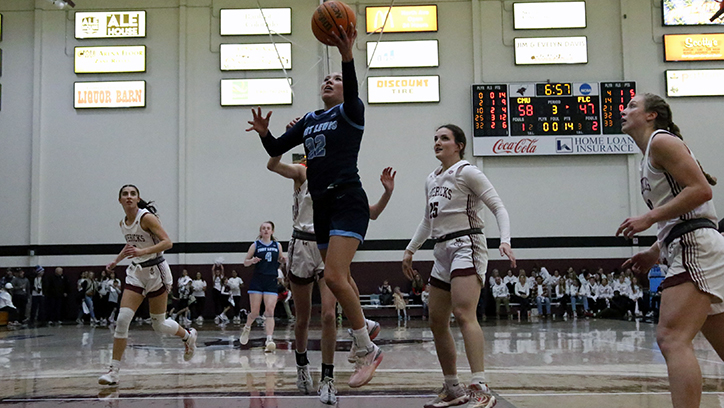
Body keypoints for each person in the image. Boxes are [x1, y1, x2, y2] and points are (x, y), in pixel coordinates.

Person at [247, 22, 384, 389]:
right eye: (326, 79)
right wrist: (264, 134)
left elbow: (353, 89)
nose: (329, 81)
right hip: (321, 206)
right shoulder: (309, 121)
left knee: (336, 276)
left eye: (336, 79)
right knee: (340, 281)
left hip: (347, 199)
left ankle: (365, 347)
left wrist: (347, 54)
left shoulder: (351, 113)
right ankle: (365, 324)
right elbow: (276, 150)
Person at [616, 93, 724, 408]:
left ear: (652, 115)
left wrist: (649, 217)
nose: (624, 110)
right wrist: (654, 251)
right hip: (689, 243)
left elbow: (701, 190)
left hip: (694, 246)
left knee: (672, 339)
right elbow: (682, 212)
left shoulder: (662, 142)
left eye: (633, 106)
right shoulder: (650, 152)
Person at [265, 153, 395, 404]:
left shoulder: (341, 182)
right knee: (302, 318)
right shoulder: (303, 172)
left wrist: (387, 193)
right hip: (302, 244)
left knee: (327, 314)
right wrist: (285, 141)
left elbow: (372, 213)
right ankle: (302, 366)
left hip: (328, 245)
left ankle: (327, 378)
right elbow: (272, 165)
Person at [402, 124, 516, 408]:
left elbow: (498, 207)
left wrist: (505, 240)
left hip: (468, 244)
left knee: (464, 313)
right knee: (436, 320)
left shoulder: (468, 172)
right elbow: (428, 220)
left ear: (459, 144)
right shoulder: (431, 179)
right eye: (435, 138)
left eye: (444, 138)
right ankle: (452, 387)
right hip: (441, 249)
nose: (437, 142)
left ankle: (480, 386)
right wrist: (410, 249)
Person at [99, 184, 197, 386]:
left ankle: (187, 336)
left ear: (137, 198)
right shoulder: (123, 223)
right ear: (119, 200)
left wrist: (143, 252)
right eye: (125, 194)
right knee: (123, 319)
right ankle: (113, 371)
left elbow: (168, 242)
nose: (128, 197)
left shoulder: (146, 218)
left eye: (132, 194)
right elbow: (130, 247)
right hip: (136, 273)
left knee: (159, 324)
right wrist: (116, 262)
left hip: (156, 272)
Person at [239, 221, 286, 353]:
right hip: (257, 280)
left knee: (270, 311)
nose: (266, 230)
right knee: (255, 312)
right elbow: (245, 262)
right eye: (263, 228)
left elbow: (280, 258)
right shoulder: (255, 245)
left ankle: (269, 340)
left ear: (272, 231)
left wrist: (284, 260)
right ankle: (247, 327)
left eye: (268, 228)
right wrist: (252, 260)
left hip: (271, 280)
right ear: (260, 231)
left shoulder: (277, 245)